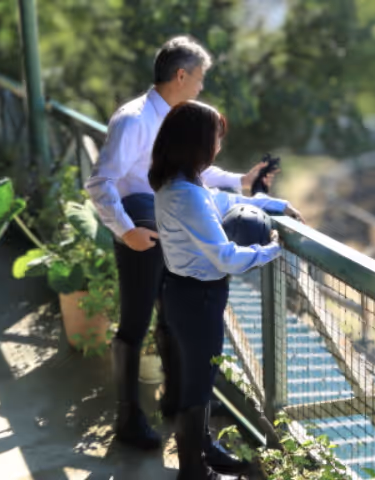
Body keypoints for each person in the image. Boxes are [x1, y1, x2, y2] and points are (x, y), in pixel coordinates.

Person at [84, 36, 276, 462]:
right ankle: (128, 418)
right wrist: (126, 231)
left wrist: (241, 182)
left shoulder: (175, 119)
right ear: (181, 74)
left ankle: (179, 409)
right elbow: (100, 182)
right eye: (200, 78)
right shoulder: (133, 119)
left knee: (171, 318)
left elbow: (191, 171)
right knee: (135, 322)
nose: (202, 86)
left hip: (168, 229)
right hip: (140, 233)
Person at [151, 100, 303, 479]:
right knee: (198, 384)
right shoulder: (186, 193)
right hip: (197, 298)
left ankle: (204, 450)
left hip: (185, 293)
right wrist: (272, 250)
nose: (219, 145)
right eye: (216, 138)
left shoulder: (181, 183)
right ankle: (193, 471)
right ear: (197, 143)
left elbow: (226, 200)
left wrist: (276, 204)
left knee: (197, 378)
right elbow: (226, 257)